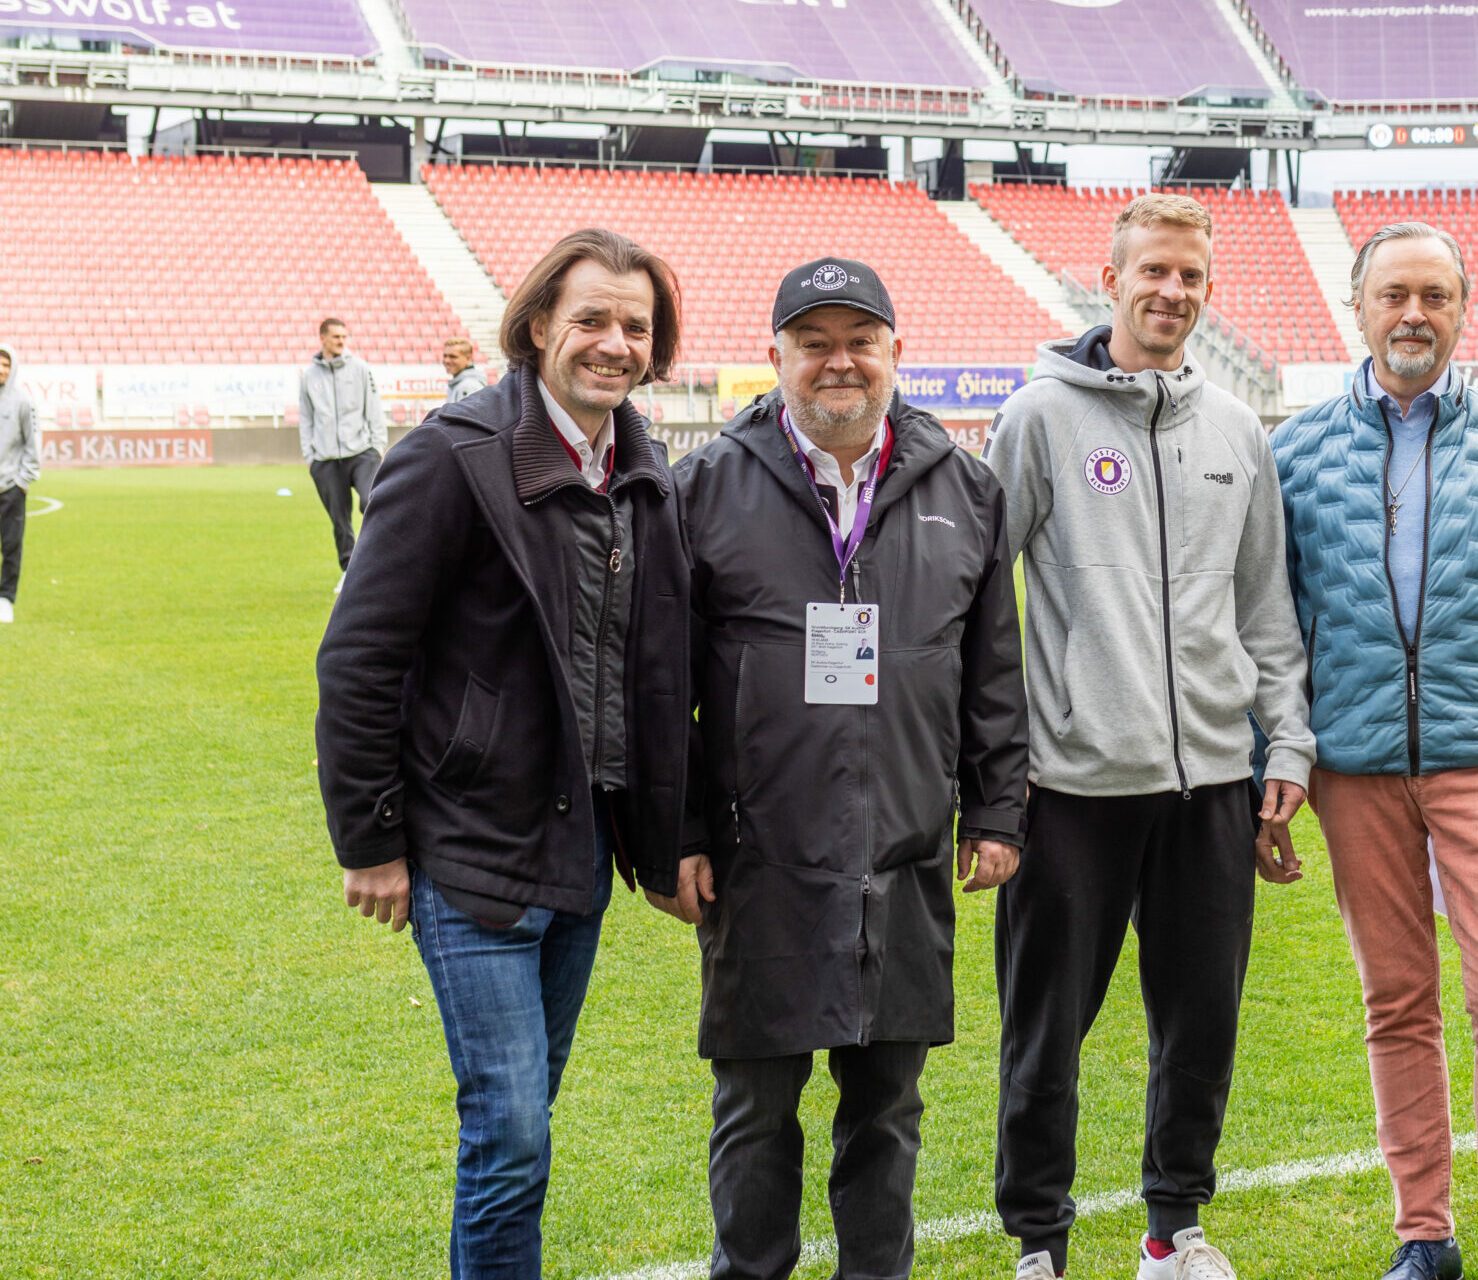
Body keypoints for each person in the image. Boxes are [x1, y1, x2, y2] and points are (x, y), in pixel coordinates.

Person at [315, 228, 693, 1280]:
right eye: (592, 320)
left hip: (580, 860)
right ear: (538, 327)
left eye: (635, 325)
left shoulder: (644, 465)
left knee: (523, 1123)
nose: (614, 343)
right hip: (471, 854)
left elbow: (655, 670)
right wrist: (372, 838)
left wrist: (666, 841)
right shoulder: (453, 452)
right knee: (513, 1131)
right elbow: (359, 654)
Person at [665, 258, 1031, 1280]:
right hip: (760, 856)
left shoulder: (963, 485)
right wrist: (683, 834)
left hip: (905, 849)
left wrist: (997, 809)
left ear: (895, 353)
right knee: (755, 1108)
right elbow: (670, 688)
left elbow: (993, 666)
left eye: (859, 340)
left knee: (886, 1110)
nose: (839, 361)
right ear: (775, 356)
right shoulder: (704, 487)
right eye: (814, 341)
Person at [984, 193, 1316, 1280]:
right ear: (1112, 278)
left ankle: (1174, 1230)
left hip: (1212, 785)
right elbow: (986, 601)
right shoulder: (1038, 416)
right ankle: (1038, 1242)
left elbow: (1266, 610)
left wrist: (1287, 748)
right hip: (1069, 788)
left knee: (1200, 1028)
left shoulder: (1234, 429)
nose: (1172, 292)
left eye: (1191, 277)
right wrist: (996, 772)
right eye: (1154, 272)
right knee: (1045, 1034)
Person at [1269, 222, 1478, 1280]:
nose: (1414, 313)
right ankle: (1425, 1232)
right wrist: (1286, 758)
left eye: (1434, 296)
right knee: (1396, 998)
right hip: (1351, 766)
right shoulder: (1298, 447)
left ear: (1463, 306)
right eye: (1394, 294)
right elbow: (1272, 623)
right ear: (1358, 306)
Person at [299, 317, 387, 585]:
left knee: (370, 501)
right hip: (325, 459)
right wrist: (310, 457)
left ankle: (381, 560)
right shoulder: (308, 376)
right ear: (322, 337)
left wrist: (377, 446)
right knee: (339, 520)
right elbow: (306, 418)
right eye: (336, 337)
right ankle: (349, 572)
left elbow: (373, 408)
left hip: (361, 452)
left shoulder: (360, 369)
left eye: (344, 337)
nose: (341, 342)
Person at [0, 343, 37, 624]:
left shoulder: (22, 402)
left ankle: (5, 599)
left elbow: (31, 444)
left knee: (11, 545)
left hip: (10, 488)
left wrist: (22, 481)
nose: (1, 370)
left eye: (6, 365)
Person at [446, 335, 490, 403]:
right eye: (445, 356)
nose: (447, 360)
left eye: (453, 357)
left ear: (468, 358)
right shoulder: (458, 383)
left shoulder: (468, 386)